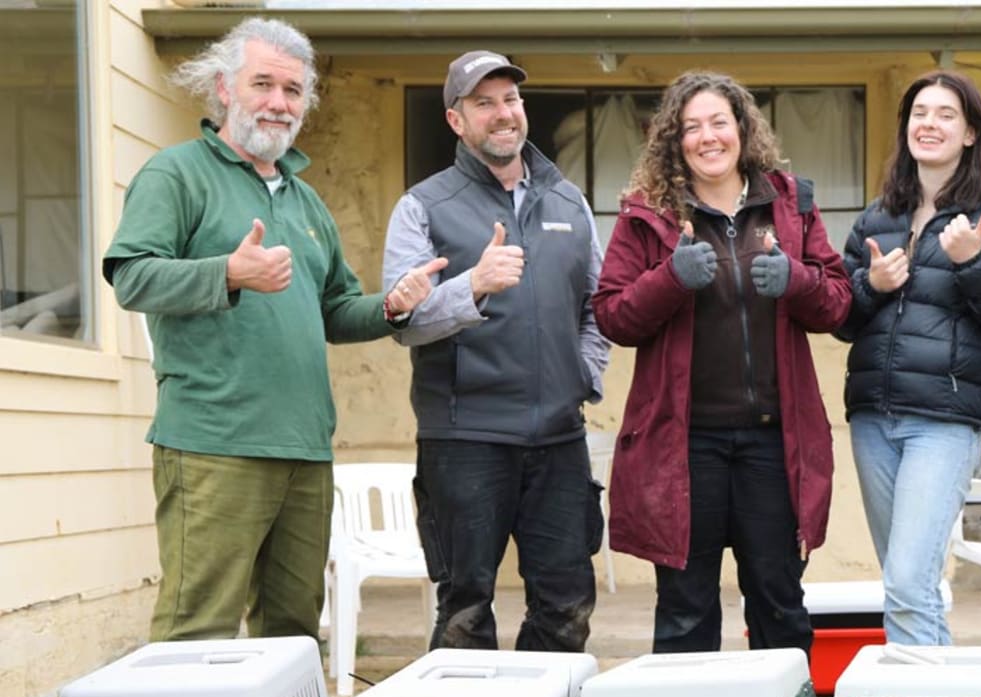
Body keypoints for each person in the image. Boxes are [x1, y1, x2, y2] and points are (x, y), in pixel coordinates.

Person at [103, 17, 440, 643]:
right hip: (212, 444)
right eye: (264, 84)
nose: (279, 103)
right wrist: (228, 272)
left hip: (305, 451)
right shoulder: (176, 175)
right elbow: (132, 278)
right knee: (196, 629)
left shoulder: (306, 203)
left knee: (291, 634)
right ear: (224, 88)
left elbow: (336, 310)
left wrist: (393, 304)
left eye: (293, 91)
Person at [593, 71, 851, 653]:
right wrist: (669, 280)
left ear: (741, 128)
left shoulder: (789, 204)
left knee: (779, 602)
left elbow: (836, 304)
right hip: (683, 447)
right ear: (674, 140)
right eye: (691, 127)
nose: (707, 137)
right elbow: (612, 315)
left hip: (772, 444)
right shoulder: (647, 215)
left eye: (718, 122)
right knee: (686, 610)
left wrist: (796, 280)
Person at [383, 51, 610, 652]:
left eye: (510, 99)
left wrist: (582, 375)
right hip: (465, 441)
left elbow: (598, 305)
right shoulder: (421, 207)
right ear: (457, 121)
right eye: (484, 103)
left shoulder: (569, 203)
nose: (502, 113)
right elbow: (404, 320)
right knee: (464, 612)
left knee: (566, 606)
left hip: (560, 441)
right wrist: (471, 285)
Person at [838, 71, 981, 646]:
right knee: (908, 583)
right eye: (919, 113)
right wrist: (871, 284)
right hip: (873, 419)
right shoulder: (876, 218)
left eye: (946, 114)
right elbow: (840, 319)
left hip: (944, 421)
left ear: (972, 133)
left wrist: (973, 262)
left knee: (907, 581)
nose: (929, 124)